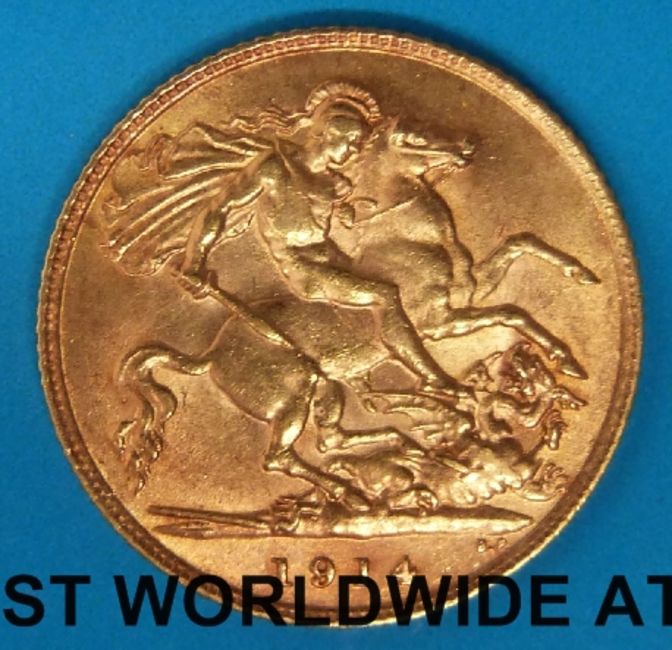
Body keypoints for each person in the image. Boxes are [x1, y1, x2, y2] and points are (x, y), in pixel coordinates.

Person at [105, 82, 461, 394]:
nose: (354, 151)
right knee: (385, 295)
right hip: (306, 272)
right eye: (351, 142)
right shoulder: (274, 169)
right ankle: (433, 379)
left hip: (336, 261)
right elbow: (219, 209)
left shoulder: (335, 183)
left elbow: (339, 217)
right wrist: (193, 261)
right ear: (328, 134)